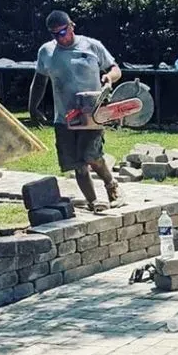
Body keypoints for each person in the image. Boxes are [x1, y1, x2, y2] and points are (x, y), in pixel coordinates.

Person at [29, 11, 123, 211]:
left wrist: (109, 78)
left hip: (91, 114)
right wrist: (33, 107)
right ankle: (93, 202)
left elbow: (115, 69)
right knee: (78, 164)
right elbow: (39, 81)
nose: (60, 37)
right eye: (55, 34)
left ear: (72, 26)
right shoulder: (46, 52)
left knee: (91, 156)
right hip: (64, 117)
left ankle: (111, 185)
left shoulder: (91, 46)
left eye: (63, 32)